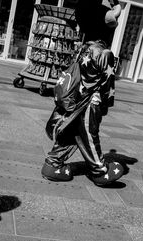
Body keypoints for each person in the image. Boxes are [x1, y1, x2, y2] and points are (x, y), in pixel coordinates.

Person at [41, 0, 124, 186]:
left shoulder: (85, 47)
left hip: (77, 97)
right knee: (88, 131)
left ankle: (52, 164)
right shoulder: (102, 51)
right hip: (89, 100)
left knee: (72, 128)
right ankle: (99, 171)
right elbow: (105, 84)